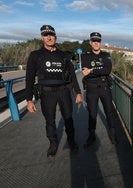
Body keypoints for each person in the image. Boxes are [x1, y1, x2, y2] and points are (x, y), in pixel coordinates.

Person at [25, 25, 83, 157]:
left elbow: (73, 75)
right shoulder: (35, 55)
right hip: (47, 93)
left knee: (68, 118)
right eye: (46, 35)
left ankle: (71, 142)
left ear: (55, 37)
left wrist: (78, 92)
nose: (49, 37)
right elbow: (29, 78)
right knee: (49, 120)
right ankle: (53, 144)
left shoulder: (64, 55)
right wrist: (29, 100)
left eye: (51, 35)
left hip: (64, 91)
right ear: (42, 37)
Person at [81, 32, 116, 147]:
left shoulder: (106, 55)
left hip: (105, 88)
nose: (96, 43)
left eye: (98, 41)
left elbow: (107, 70)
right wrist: (96, 71)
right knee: (92, 114)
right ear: (91, 42)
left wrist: (91, 70)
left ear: (100, 43)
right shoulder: (85, 56)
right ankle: (91, 136)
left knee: (109, 112)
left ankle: (112, 134)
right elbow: (85, 72)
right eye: (94, 41)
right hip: (91, 90)